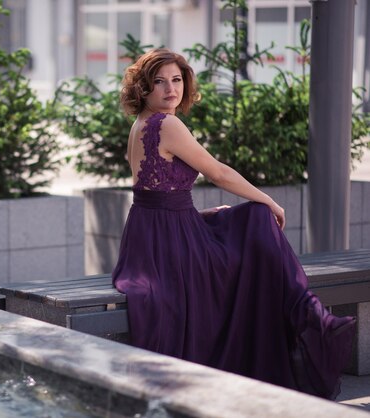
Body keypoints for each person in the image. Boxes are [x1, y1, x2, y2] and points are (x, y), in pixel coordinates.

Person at [112, 48, 356, 400]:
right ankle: (310, 318)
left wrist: (198, 218)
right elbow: (219, 173)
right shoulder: (167, 124)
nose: (171, 89)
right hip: (167, 241)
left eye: (177, 80)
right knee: (257, 218)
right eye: (159, 82)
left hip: (153, 235)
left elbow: (156, 194)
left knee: (237, 222)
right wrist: (268, 200)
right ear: (143, 89)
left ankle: (306, 314)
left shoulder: (142, 124)